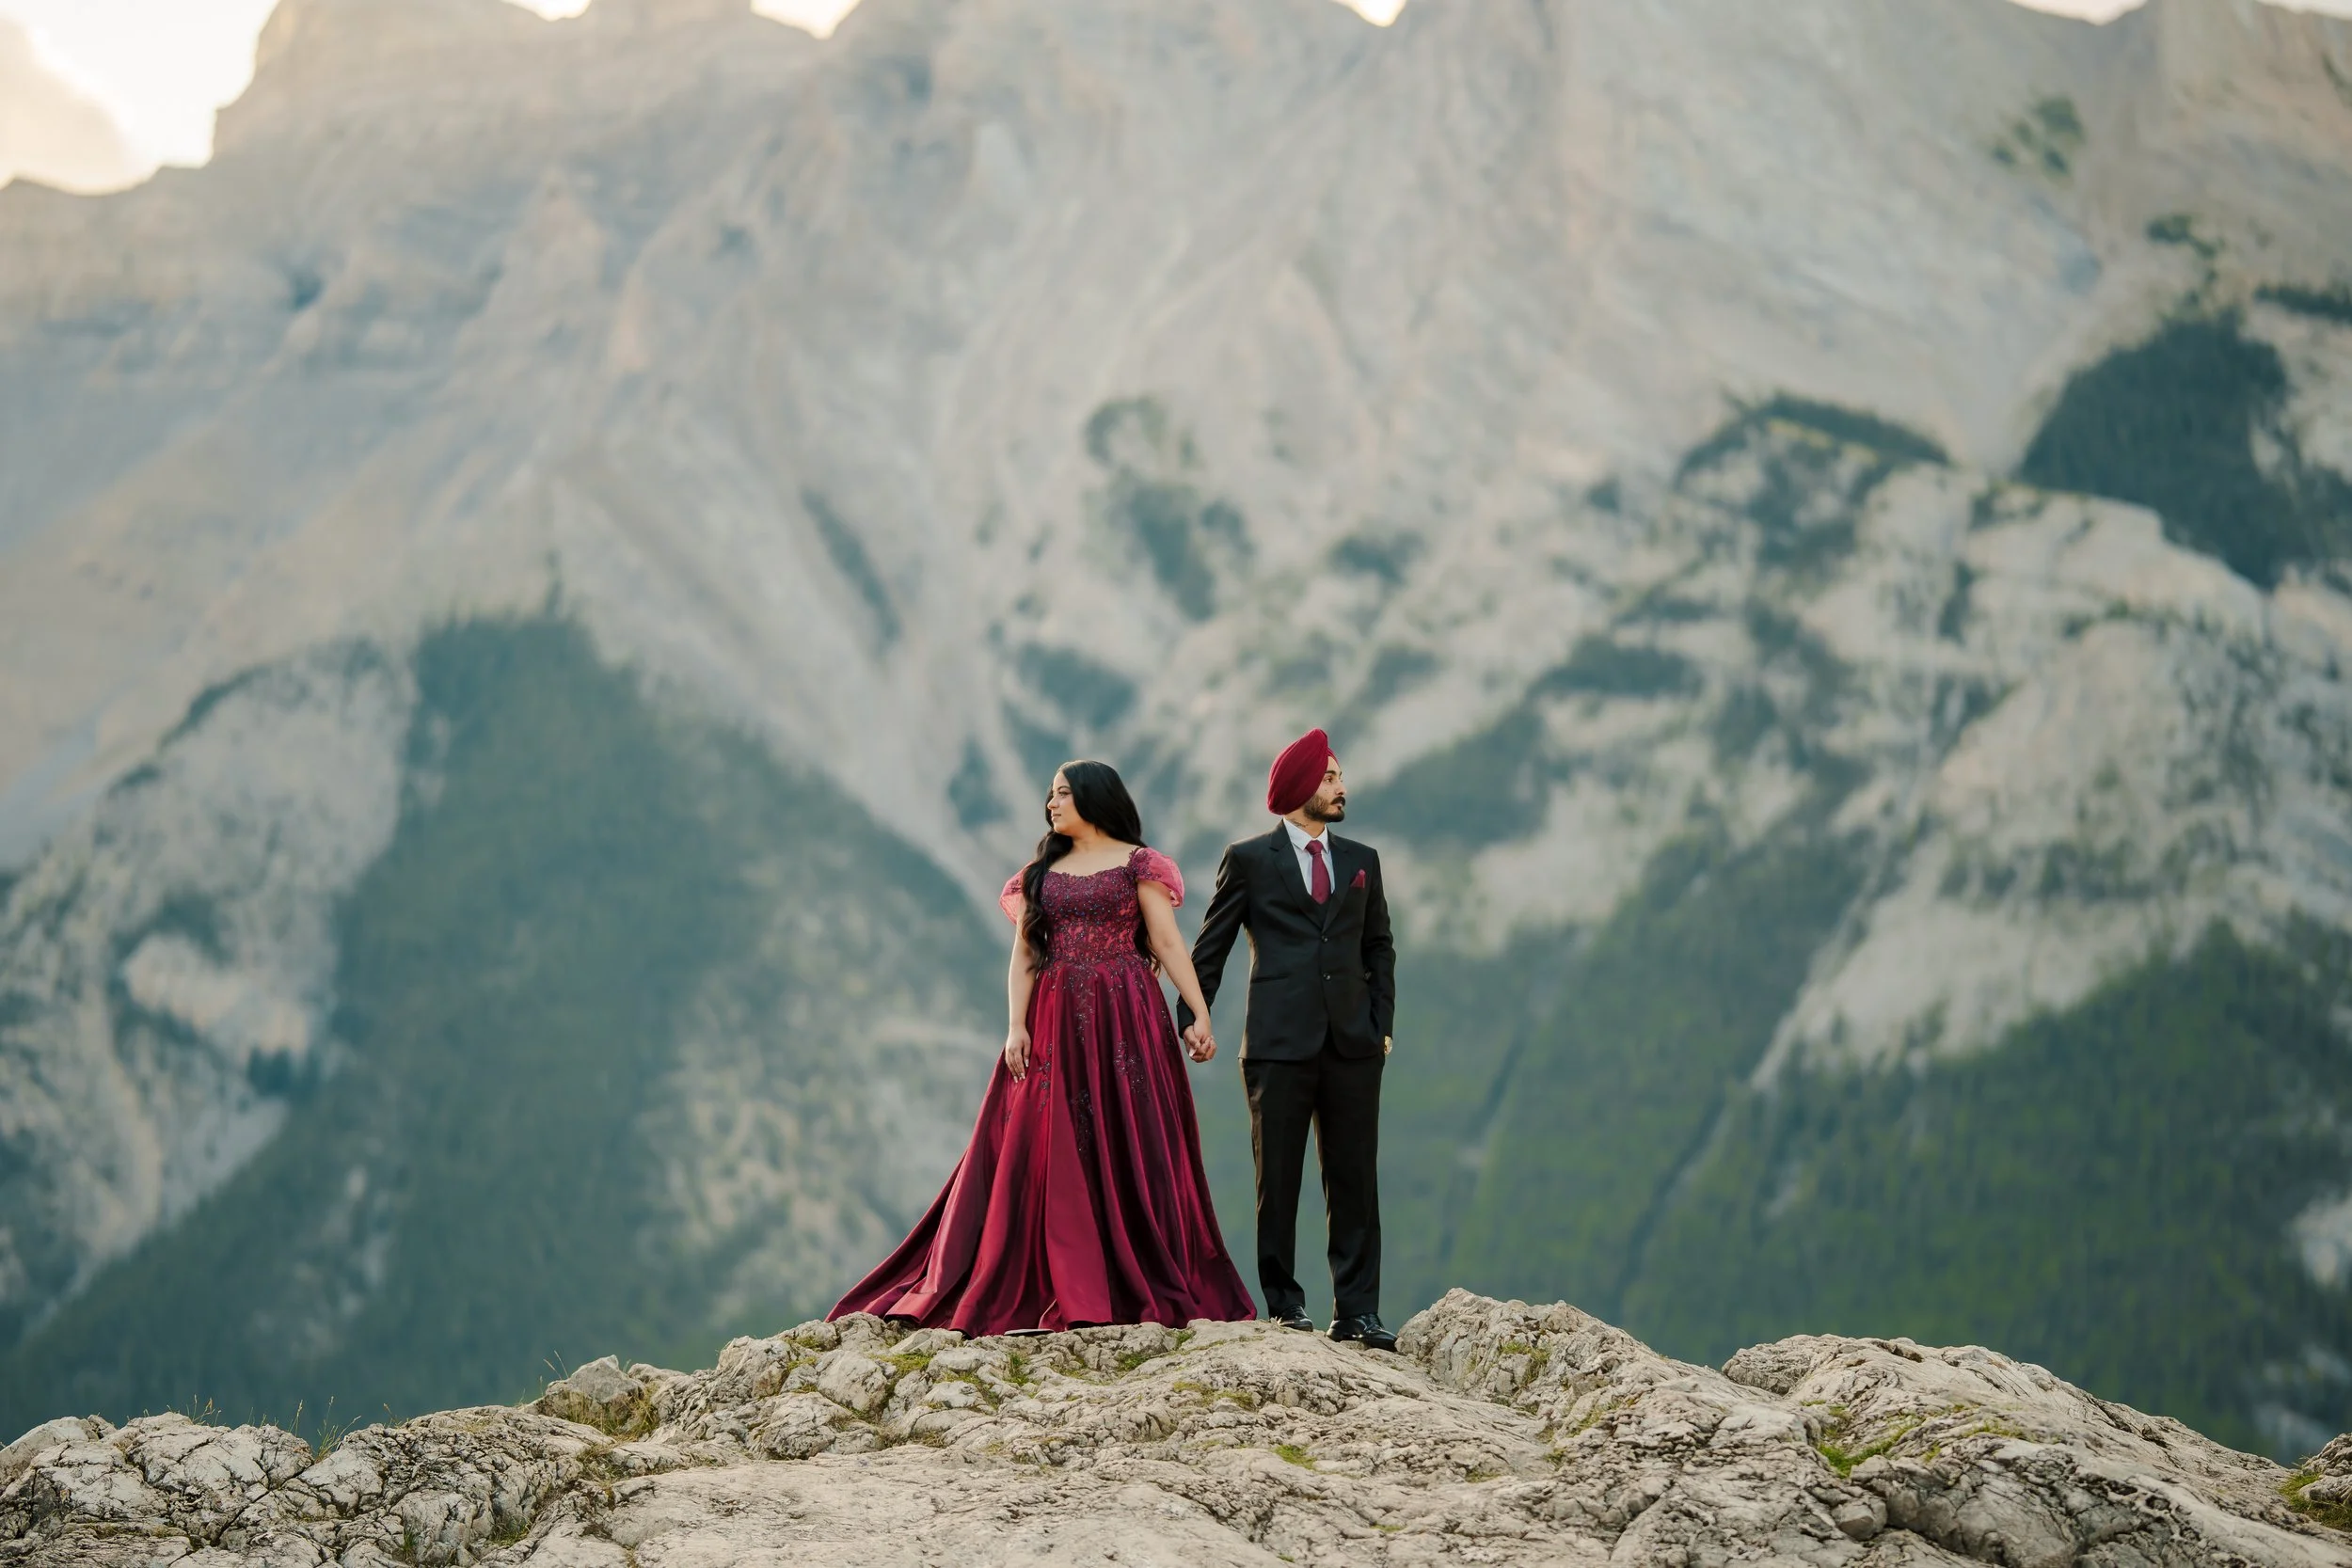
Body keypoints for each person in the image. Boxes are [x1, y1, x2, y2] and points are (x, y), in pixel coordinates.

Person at [830, 759, 1255, 1335]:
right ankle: (1060, 1275)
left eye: (1061, 795)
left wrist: (1200, 1011)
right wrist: (1015, 1026)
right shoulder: (1039, 873)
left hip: (1127, 1013)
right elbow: (1026, 954)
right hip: (1054, 1016)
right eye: (1050, 796)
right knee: (1043, 1138)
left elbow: (1166, 942)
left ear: (1093, 799)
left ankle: (1133, 1269)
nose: (1051, 805)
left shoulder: (1140, 864)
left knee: (1129, 1132)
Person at [1178, 729, 1397, 1350]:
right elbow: (1211, 945)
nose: (1341, 786)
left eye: (1339, 775)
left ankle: (1357, 1310)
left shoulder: (1362, 861)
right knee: (1277, 1178)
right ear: (1302, 787)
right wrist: (1194, 1012)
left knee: (1355, 1178)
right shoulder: (1249, 860)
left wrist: (1381, 1025)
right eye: (1329, 777)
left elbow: (1379, 946)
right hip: (1277, 1044)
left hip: (1353, 1045)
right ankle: (1284, 1304)